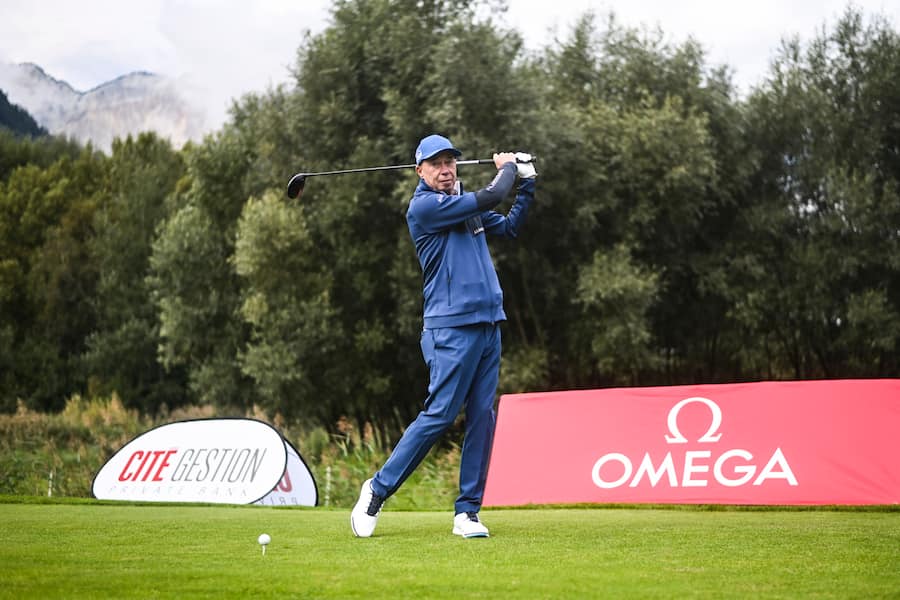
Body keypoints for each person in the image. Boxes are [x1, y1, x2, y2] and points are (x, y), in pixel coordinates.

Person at [350, 134, 536, 538]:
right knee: (439, 415)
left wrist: (527, 183)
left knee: (482, 419)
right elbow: (490, 197)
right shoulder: (425, 208)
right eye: (436, 163)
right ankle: (377, 490)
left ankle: (467, 512)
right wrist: (505, 168)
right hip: (450, 328)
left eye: (450, 161)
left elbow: (506, 227)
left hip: (488, 323)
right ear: (420, 171)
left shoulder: (461, 204)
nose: (446, 169)